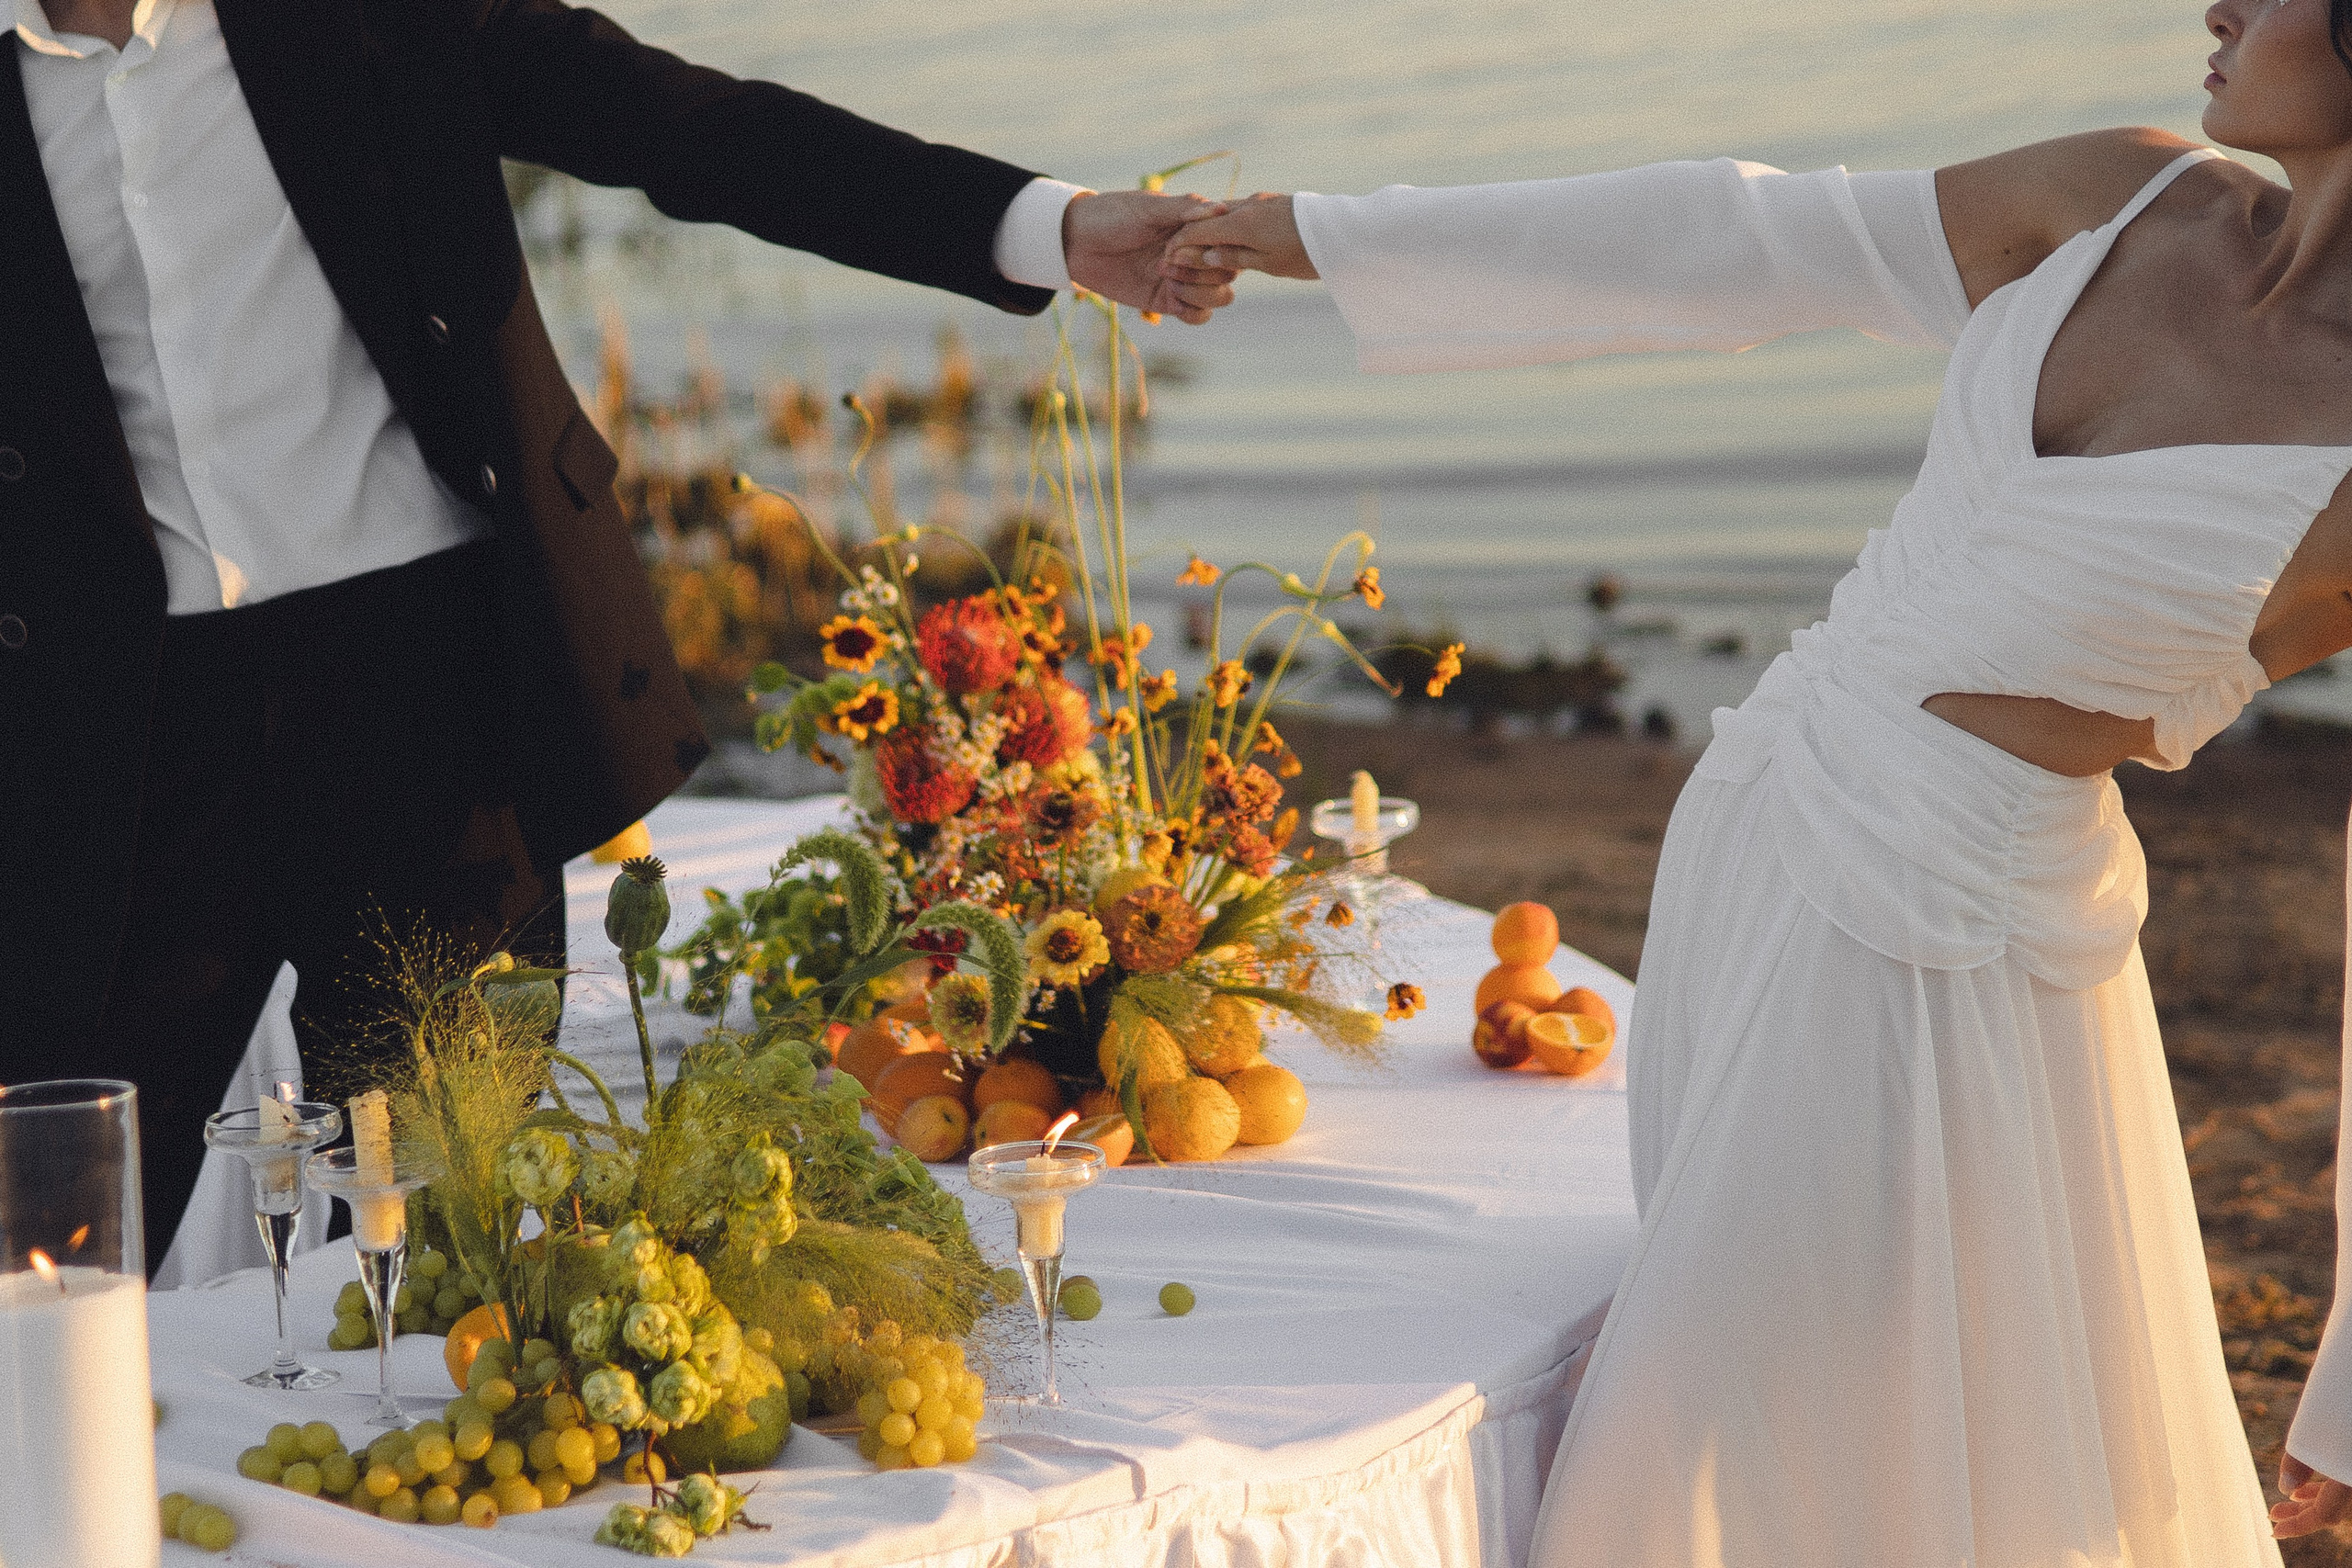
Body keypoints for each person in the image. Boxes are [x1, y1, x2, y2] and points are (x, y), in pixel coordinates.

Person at [1164, 0, 2352, 1559]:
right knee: (1824, 1433)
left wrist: (2345, 1389)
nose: (2217, 5)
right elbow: (1737, 237)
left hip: (1953, 950)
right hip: (1761, 827)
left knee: (1739, 1434)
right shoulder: (2129, 192)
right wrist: (1312, 233)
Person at [0, 0, 1237, 1270]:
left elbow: (692, 129)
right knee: (46, 1239)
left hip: (425, 702)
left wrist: (1052, 228)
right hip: (116, 729)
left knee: (433, 1222)